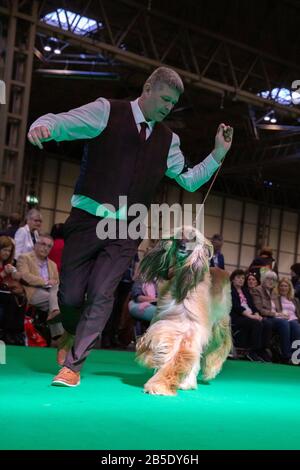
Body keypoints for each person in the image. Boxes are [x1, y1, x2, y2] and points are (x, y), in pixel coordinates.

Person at [27, 66, 233, 387]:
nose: (168, 107)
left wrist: (218, 154)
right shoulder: (106, 111)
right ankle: (68, 330)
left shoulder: (169, 140)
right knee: (69, 296)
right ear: (148, 88)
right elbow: (62, 122)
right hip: (86, 221)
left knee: (101, 293)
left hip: (127, 229)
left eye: (173, 103)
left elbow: (190, 180)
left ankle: (73, 366)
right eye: (164, 99)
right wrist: (43, 126)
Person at [17, 234, 63, 339]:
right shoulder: (25, 257)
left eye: (49, 246)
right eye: (43, 244)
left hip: (51, 293)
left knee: (57, 290)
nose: (46, 248)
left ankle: (54, 313)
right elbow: (24, 276)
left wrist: (52, 284)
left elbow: (56, 282)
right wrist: (46, 282)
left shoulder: (53, 264)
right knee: (60, 303)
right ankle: (59, 336)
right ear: (36, 244)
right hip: (33, 292)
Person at [230, 269, 272, 362]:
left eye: (242, 278)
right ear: (233, 279)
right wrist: (252, 316)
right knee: (256, 323)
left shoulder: (245, 291)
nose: (241, 280)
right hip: (238, 317)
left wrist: (257, 314)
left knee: (267, 323)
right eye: (238, 278)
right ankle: (253, 351)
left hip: (250, 316)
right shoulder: (230, 291)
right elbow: (236, 307)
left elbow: (252, 305)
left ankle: (262, 349)